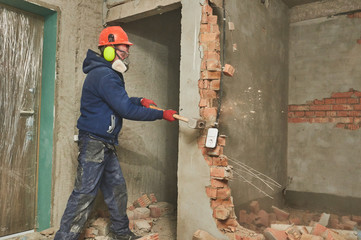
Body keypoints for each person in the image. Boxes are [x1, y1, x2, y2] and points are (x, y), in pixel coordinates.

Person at [54, 26, 177, 240]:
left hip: (105, 143)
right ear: (108, 50)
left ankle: (121, 234)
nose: (126, 54)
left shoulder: (108, 74)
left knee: (116, 190)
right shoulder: (105, 75)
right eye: (123, 49)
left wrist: (140, 101)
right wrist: (160, 115)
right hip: (94, 143)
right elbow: (125, 110)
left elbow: (119, 102)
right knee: (84, 194)